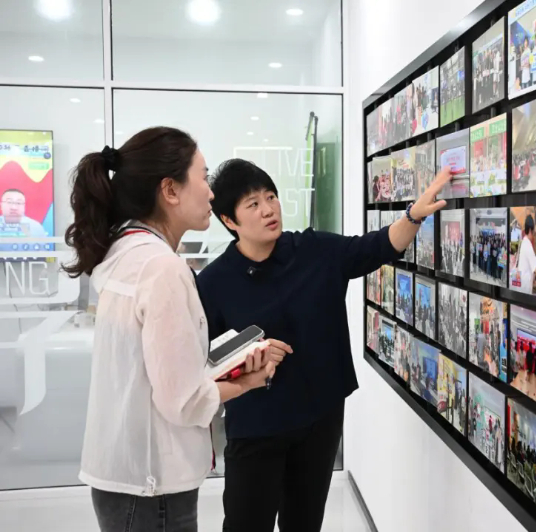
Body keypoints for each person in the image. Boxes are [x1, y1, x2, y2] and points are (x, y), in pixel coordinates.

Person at [196, 159, 450, 531]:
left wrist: (413, 215)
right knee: (246, 524)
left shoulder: (313, 250)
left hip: (318, 418)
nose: (268, 209)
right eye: (253, 204)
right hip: (256, 426)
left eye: (271, 197)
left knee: (305, 523)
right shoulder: (214, 282)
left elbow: (377, 246)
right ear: (229, 221)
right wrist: (249, 355)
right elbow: (203, 361)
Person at [64, 128, 279, 532]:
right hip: (152, 486)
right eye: (203, 177)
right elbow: (183, 402)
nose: (211, 193)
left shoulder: (126, 250)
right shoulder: (162, 268)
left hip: (128, 476)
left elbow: (154, 372)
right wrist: (248, 380)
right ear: (170, 190)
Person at [517, 214, 536, 295]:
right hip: (525, 290)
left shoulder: (524, 242)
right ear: (530, 230)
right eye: (534, 232)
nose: (534, 235)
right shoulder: (528, 245)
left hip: (522, 287)